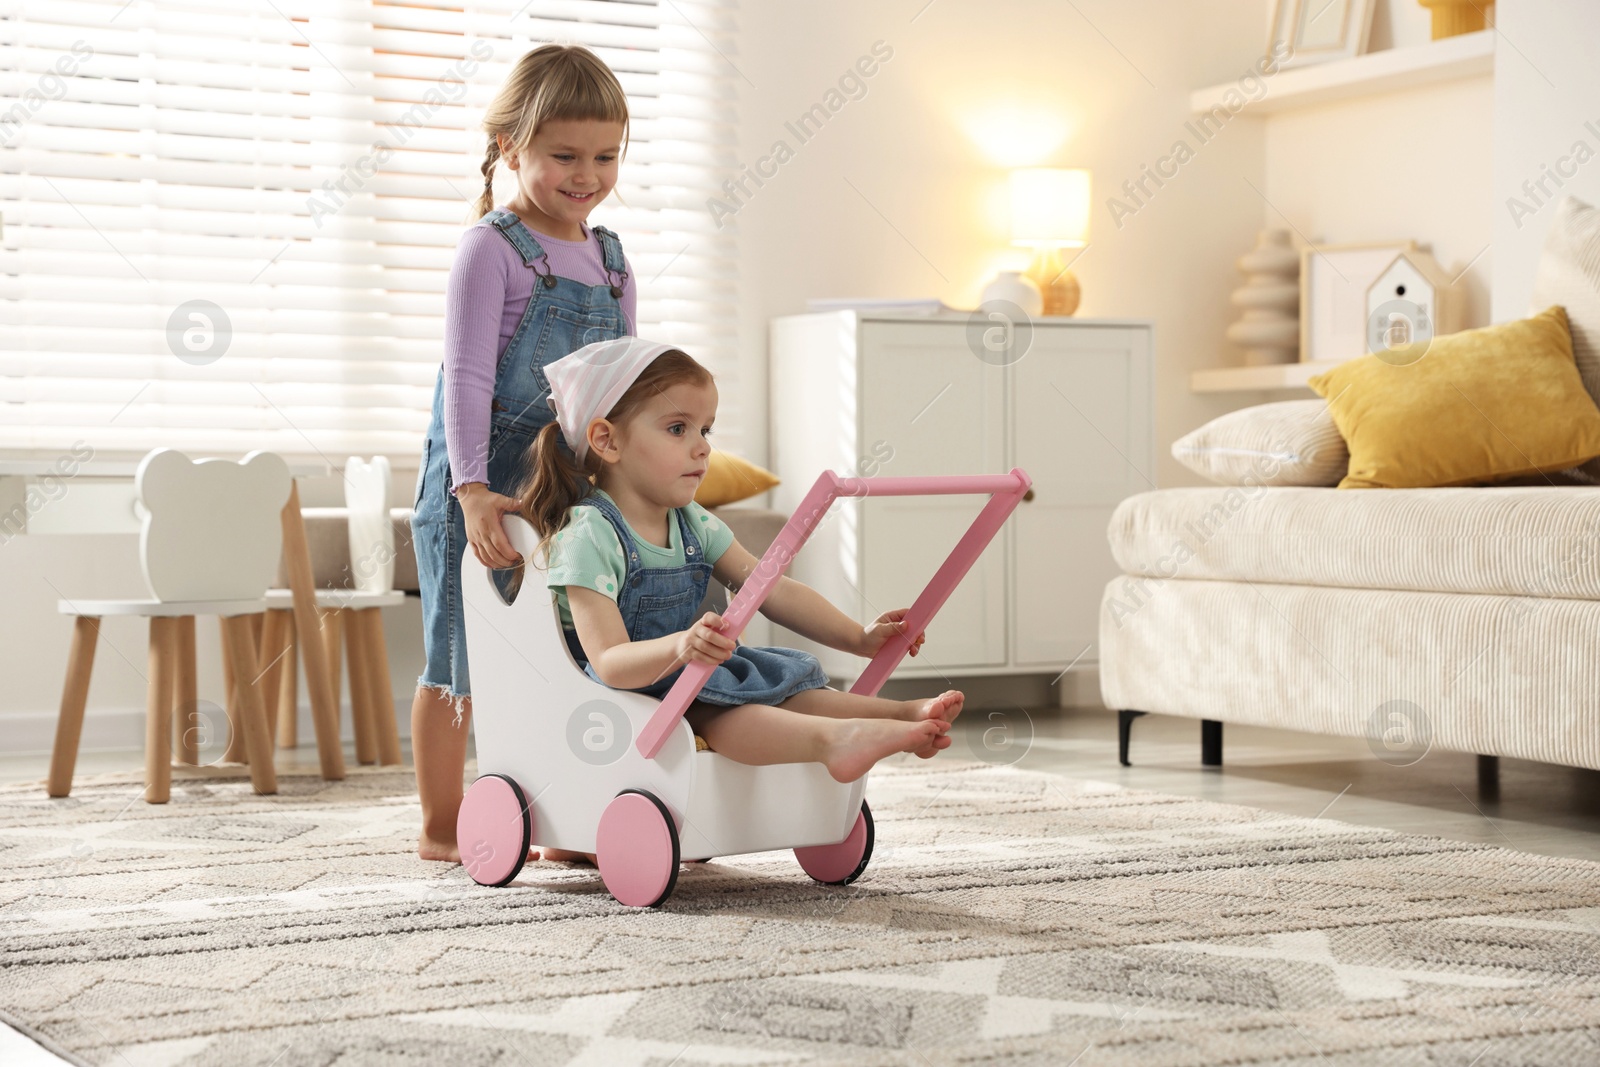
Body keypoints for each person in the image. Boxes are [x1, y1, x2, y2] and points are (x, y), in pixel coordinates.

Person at [515, 337, 965, 870]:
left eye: (705, 430)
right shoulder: (588, 535)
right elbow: (608, 662)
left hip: (694, 673)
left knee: (788, 686)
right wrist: (681, 647)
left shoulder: (695, 523)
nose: (702, 447)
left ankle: (898, 715)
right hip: (619, 697)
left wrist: (858, 638)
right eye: (678, 429)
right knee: (719, 712)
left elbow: (772, 590)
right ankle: (836, 740)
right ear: (607, 441)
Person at [409, 43, 637, 864]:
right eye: (564, 155)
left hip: (560, 490)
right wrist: (470, 490)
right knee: (458, 654)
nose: (587, 173)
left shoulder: (612, 263)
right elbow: (468, 377)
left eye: (605, 155)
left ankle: (566, 813)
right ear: (512, 150)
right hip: (474, 488)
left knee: (564, 653)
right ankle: (443, 821)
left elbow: (619, 392)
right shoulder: (491, 249)